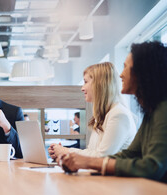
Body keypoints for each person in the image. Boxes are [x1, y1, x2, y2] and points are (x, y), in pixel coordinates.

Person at [59, 41, 167, 182]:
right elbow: (130, 154)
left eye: (126, 67)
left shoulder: (163, 110)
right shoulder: (152, 111)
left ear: (142, 73)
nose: (121, 75)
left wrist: (89, 162)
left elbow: (152, 167)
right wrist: (82, 160)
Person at [49, 62, 136, 158]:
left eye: (86, 82)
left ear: (99, 84)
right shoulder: (103, 116)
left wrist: (65, 151)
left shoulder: (118, 115)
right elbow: (92, 152)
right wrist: (62, 152)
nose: (82, 88)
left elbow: (101, 156)